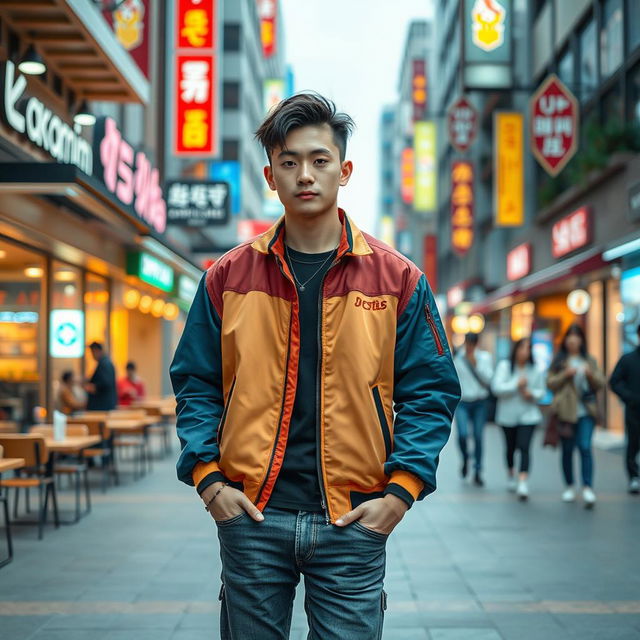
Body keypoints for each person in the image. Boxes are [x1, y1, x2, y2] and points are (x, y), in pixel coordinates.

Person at [170, 93, 461, 640]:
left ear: (344, 170)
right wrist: (210, 483)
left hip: (353, 517)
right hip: (251, 515)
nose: (305, 174)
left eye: (319, 160)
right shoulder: (226, 278)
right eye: (289, 162)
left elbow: (431, 391)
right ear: (270, 176)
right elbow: (195, 383)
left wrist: (399, 493)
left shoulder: (398, 280)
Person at [547, 323, 605, 508]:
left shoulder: (589, 360)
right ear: (565, 340)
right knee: (567, 450)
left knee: (585, 447)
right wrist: (566, 374)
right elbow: (550, 383)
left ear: (582, 339)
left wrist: (589, 374)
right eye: (570, 336)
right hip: (565, 412)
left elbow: (601, 382)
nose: (573, 340)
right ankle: (570, 486)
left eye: (577, 336)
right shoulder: (559, 361)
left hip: (586, 411)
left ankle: (587, 487)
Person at [491, 337, 545, 501]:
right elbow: (497, 388)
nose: (524, 352)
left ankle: (523, 481)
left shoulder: (535, 369)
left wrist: (532, 394)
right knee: (510, 448)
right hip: (507, 416)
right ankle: (511, 473)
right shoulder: (505, 367)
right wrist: (516, 384)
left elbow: (541, 391)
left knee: (524, 447)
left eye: (528, 349)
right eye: (522, 348)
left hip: (528, 415)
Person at [453, 331, 494, 486]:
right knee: (462, 435)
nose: (469, 347)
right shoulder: (458, 358)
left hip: (480, 402)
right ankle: (465, 458)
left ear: (476, 344)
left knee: (478, 436)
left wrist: (476, 365)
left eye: (472, 344)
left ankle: (478, 470)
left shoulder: (484, 358)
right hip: (462, 403)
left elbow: (489, 379)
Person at [609, 323, 640, 494]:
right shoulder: (628, 359)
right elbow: (614, 382)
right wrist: (629, 397)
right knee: (633, 443)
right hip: (634, 409)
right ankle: (633, 476)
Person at [85, 342, 117, 411]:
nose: (92, 355)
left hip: (102, 405)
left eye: (93, 352)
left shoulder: (104, 364)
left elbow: (106, 383)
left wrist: (93, 387)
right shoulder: (104, 363)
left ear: (98, 351)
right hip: (104, 405)